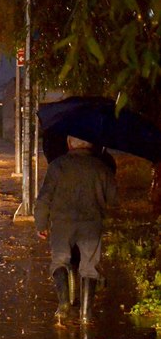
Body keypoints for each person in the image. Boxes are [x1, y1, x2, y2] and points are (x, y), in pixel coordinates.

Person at [35, 135, 117, 325]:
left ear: (69, 143)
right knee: (90, 267)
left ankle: (64, 305)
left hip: (62, 224)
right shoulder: (101, 166)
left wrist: (41, 224)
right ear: (91, 145)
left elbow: (44, 198)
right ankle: (86, 314)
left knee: (59, 261)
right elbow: (113, 199)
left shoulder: (58, 166)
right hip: (91, 224)